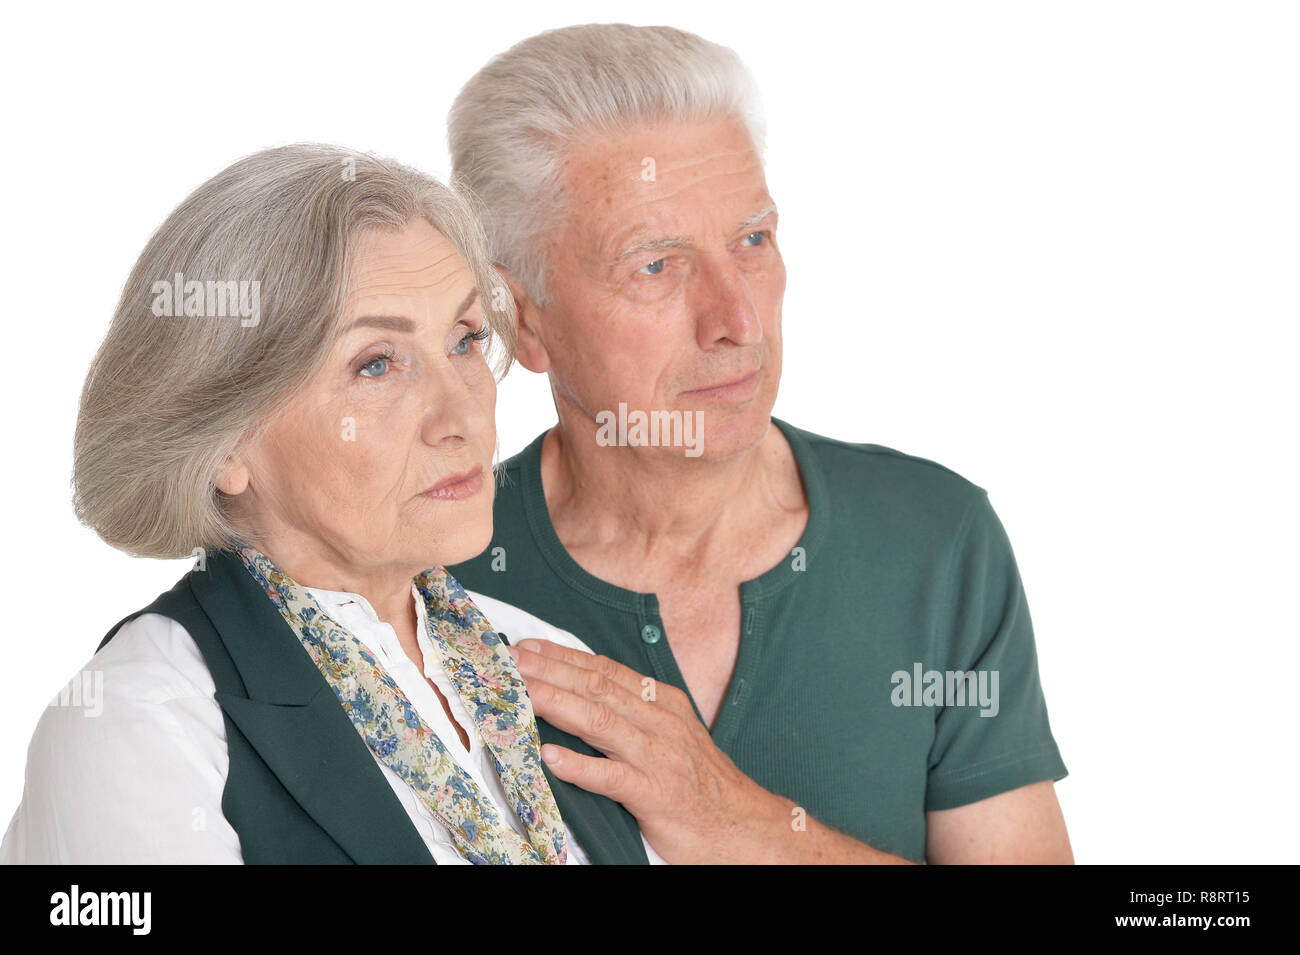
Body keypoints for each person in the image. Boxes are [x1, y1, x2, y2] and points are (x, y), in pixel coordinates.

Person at [446, 24, 1074, 864]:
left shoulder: (934, 539)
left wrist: (744, 829)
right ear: (520, 323)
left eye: (752, 241)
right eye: (656, 266)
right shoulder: (430, 569)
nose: (736, 321)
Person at [0, 143, 640, 864]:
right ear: (226, 442)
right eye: (375, 364)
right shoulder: (136, 724)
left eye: (464, 341)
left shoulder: (548, 661)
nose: (460, 414)